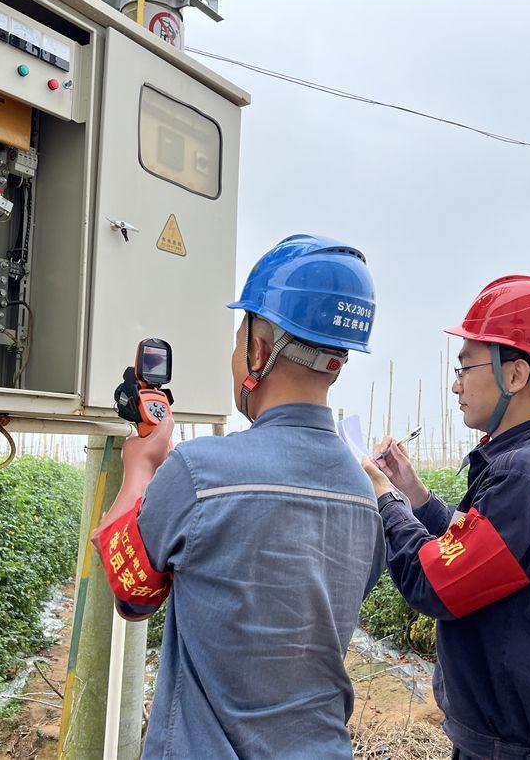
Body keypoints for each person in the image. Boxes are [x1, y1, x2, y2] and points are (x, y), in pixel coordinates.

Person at [92, 234, 386, 759]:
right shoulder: (366, 494)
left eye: (237, 343)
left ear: (258, 348)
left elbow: (132, 594)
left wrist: (142, 465)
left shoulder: (200, 470)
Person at [363, 275, 530, 760]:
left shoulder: (524, 473)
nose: (455, 385)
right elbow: (482, 550)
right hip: (526, 724)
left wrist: (386, 500)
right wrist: (413, 490)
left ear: (514, 376)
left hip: (512, 745)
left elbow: (436, 582)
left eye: (465, 368)